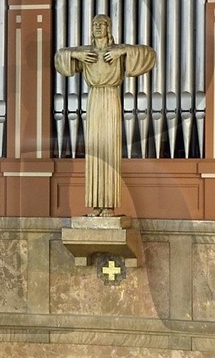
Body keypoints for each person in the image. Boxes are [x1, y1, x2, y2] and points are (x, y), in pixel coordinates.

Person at [56, 14, 155, 215]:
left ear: (109, 28)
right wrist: (76, 55)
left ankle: (108, 205)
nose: (98, 27)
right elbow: (60, 57)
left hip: (110, 98)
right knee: (94, 151)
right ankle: (95, 205)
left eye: (102, 24)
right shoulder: (86, 51)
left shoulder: (117, 50)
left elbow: (149, 55)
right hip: (93, 100)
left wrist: (123, 51)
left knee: (108, 150)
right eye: (94, 24)